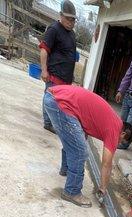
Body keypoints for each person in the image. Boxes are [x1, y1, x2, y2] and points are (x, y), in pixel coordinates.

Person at [44, 85, 132, 208]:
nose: (117, 144)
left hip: (53, 97)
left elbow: (84, 127)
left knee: (73, 144)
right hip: (61, 104)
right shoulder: (116, 128)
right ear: (123, 133)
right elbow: (107, 164)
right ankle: (72, 192)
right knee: (80, 152)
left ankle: (66, 170)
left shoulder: (109, 120)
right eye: (121, 141)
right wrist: (103, 188)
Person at [39, 0, 77, 134]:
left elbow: (70, 55)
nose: (71, 22)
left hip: (66, 78)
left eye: (73, 20)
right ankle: (48, 123)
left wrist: (71, 75)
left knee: (60, 103)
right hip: (54, 75)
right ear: (61, 15)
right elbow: (44, 50)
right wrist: (44, 70)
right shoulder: (54, 29)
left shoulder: (72, 34)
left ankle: (55, 121)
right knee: (50, 100)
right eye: (68, 19)